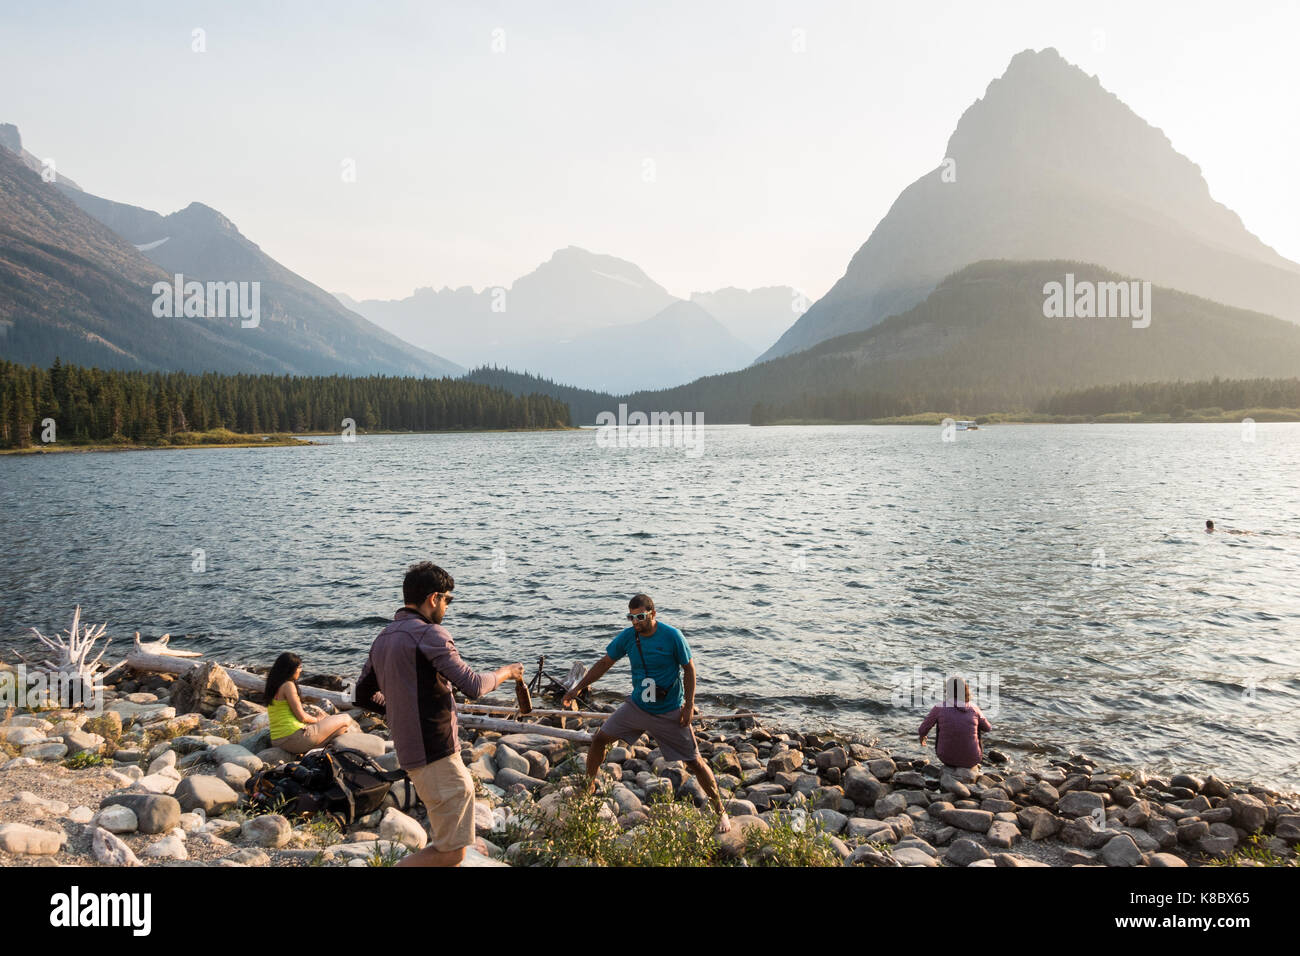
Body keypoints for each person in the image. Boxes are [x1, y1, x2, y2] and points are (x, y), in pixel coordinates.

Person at [357, 561, 523, 867]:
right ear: (434, 598)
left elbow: (362, 695)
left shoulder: (383, 638)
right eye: (448, 599)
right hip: (437, 754)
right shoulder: (430, 634)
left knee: (446, 841)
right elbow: (473, 685)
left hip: (414, 754)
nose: (447, 606)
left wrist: (398, 710)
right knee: (452, 850)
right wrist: (505, 672)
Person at [563, 593, 731, 833]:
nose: (635, 622)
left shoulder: (672, 636)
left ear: (653, 614)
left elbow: (689, 669)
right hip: (637, 706)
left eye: (640, 617)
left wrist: (688, 705)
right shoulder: (629, 636)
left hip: (669, 710)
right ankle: (589, 786)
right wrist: (576, 688)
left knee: (694, 761)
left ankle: (721, 812)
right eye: (631, 617)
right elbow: (604, 663)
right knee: (599, 739)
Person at [265, 652, 359, 755]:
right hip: (294, 738)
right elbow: (302, 717)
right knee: (346, 718)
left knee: (341, 728)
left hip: (278, 740)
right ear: (290, 669)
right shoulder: (288, 685)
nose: (301, 670)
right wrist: (317, 720)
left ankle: (317, 748)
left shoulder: (273, 685)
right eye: (299, 667)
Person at [917, 676, 991, 770]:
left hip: (946, 758)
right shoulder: (974, 708)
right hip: (972, 760)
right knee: (977, 726)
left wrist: (923, 736)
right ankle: (970, 751)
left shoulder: (939, 707)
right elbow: (988, 728)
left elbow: (922, 729)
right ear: (966, 690)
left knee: (942, 722)